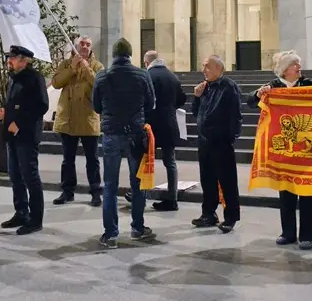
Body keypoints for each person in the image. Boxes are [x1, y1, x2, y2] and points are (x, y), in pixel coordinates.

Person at [247, 50, 312, 250]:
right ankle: (288, 232)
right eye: (294, 65)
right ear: (284, 71)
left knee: (309, 191)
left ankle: (310, 236)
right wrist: (258, 94)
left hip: (308, 154)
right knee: (286, 192)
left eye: (299, 64)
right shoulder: (273, 88)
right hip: (284, 151)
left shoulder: (308, 85)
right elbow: (250, 101)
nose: (298, 67)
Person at [92, 38, 156, 249]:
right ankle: (138, 228)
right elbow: (150, 103)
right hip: (135, 134)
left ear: (113, 54)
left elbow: (96, 106)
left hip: (111, 134)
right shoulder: (142, 74)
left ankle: (110, 235)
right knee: (137, 183)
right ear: (130, 53)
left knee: (109, 185)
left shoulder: (102, 76)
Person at [0, 45, 49, 235]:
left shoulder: (34, 78)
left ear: (23, 60)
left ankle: (35, 219)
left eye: (12, 58)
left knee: (30, 176)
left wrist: (19, 122)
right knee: (15, 176)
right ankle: (21, 212)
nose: (8, 61)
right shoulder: (14, 78)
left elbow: (42, 106)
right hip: (12, 135)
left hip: (27, 135)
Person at [51, 35, 105, 207]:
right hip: (68, 119)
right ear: (75, 46)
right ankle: (67, 192)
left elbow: (100, 84)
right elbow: (56, 82)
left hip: (88, 118)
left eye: (88, 44)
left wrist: (87, 69)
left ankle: (96, 192)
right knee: (68, 159)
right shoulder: (66, 64)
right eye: (82, 44)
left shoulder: (98, 65)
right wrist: (72, 69)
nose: (85, 47)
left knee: (92, 159)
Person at [191, 55, 242, 234]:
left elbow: (235, 115)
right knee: (207, 180)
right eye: (203, 66)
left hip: (221, 142)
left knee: (227, 181)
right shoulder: (204, 87)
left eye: (207, 66)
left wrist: (230, 137)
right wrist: (197, 97)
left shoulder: (228, 87)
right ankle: (209, 214)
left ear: (219, 69)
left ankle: (231, 217)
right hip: (204, 141)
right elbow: (196, 113)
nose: (203, 70)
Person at [142, 50, 186, 211]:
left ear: (147, 62)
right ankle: (172, 199)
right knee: (170, 162)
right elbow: (182, 99)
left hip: (151, 126)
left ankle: (140, 194)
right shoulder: (172, 76)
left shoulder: (148, 76)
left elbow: (144, 100)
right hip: (169, 124)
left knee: (145, 161)